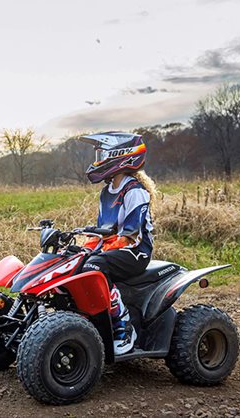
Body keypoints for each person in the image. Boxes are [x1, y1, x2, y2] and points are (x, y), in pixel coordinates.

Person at [78, 132, 156, 355]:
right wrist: (83, 249)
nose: (98, 159)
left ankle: (123, 325)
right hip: (114, 249)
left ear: (120, 156)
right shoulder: (106, 193)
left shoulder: (135, 192)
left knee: (94, 266)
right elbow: (102, 232)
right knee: (76, 262)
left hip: (136, 252)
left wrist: (96, 253)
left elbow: (131, 236)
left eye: (102, 154)